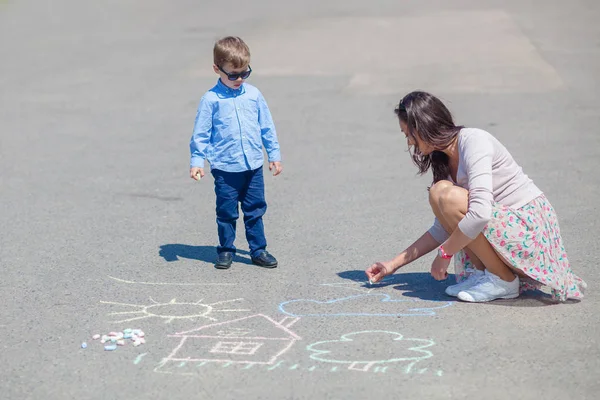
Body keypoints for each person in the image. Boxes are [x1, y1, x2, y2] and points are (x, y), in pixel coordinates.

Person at [365, 91, 586, 302]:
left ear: (423, 126)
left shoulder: (474, 141)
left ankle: (503, 280)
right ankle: (488, 275)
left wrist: (445, 254)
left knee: (447, 196)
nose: (409, 143)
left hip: (529, 231)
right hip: (507, 231)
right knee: (439, 194)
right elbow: (443, 227)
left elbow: (480, 214)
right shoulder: (443, 158)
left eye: (409, 135)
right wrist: (392, 265)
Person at [189, 36, 282, 270]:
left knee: (255, 210)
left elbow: (266, 126)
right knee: (227, 212)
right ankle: (226, 249)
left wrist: (274, 155)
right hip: (225, 169)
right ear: (216, 69)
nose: (239, 79)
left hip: (253, 166)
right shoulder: (211, 100)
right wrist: (197, 161)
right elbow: (201, 134)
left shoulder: (253, 95)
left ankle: (258, 250)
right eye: (233, 75)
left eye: (244, 73)